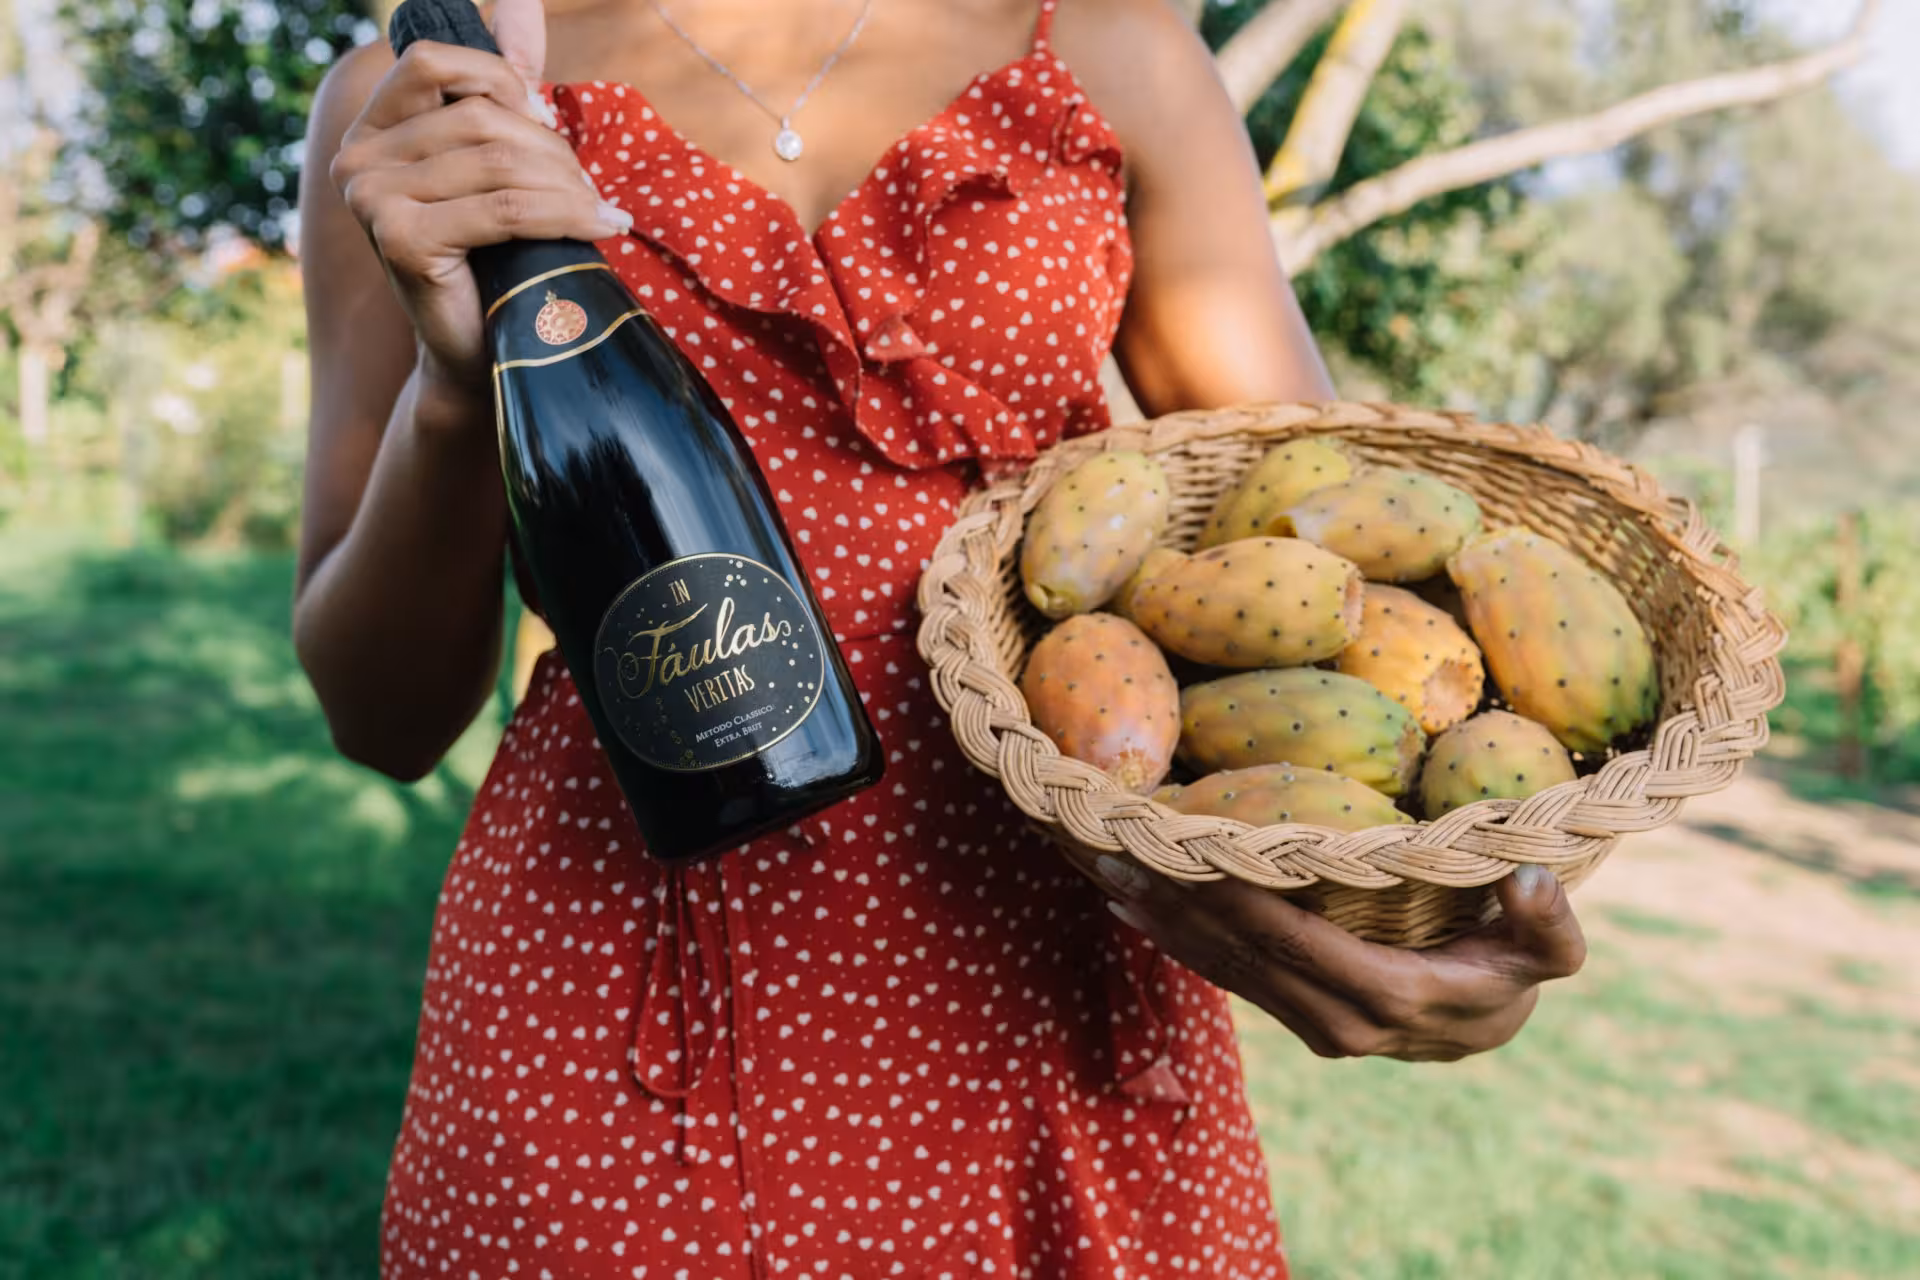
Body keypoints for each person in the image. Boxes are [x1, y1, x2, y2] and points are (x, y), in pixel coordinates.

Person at [295, 0, 1588, 1273]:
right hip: (622, 1019)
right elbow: (383, 719)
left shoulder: (1109, 50)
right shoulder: (431, 99)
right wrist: (459, 392)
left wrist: (1433, 906)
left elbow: (1344, 592)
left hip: (1061, 1014)